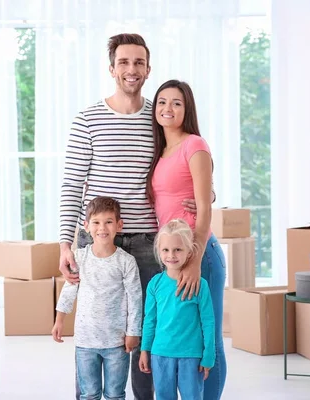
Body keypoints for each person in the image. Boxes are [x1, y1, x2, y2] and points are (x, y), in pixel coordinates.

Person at [58, 33, 202, 400]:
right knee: (93, 331)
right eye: (123, 62)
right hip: (97, 243)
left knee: (144, 332)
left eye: (138, 62)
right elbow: (72, 186)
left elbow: (183, 162)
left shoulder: (158, 117)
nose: (131, 70)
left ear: (148, 68)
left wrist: (204, 196)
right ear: (111, 69)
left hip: (147, 243)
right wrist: (65, 243)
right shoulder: (87, 120)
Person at [145, 79, 227, 400]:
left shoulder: (195, 144)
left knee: (209, 339)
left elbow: (204, 209)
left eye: (176, 103)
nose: (167, 108)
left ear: (187, 109)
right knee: (186, 339)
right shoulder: (162, 151)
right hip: (176, 256)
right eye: (162, 102)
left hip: (200, 255)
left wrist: (194, 259)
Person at [53, 196, 142, 400]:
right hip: (85, 343)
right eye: (96, 222)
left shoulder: (126, 261)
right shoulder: (80, 257)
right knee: (89, 394)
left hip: (117, 343)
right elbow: (69, 290)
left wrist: (133, 332)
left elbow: (135, 299)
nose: (102, 228)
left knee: (115, 395)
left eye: (109, 222)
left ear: (119, 225)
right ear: (86, 226)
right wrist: (59, 321)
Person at [138, 219, 215, 400]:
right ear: (159, 251)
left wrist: (209, 355)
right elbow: (150, 320)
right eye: (165, 250)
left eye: (178, 249)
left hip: (192, 356)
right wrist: (144, 350)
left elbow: (208, 322)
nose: (171, 255)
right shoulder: (155, 284)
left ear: (190, 252)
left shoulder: (200, 285)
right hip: (161, 354)